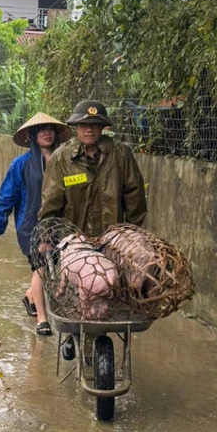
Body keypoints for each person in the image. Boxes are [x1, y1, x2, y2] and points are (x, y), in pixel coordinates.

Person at [39, 100, 147, 359]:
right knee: (77, 294)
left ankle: (97, 335)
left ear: (103, 128)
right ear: (76, 127)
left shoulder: (120, 154)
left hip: (111, 236)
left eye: (96, 125)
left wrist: (131, 232)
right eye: (85, 125)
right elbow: (50, 201)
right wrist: (47, 237)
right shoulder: (62, 158)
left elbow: (134, 195)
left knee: (112, 288)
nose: (90, 130)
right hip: (73, 238)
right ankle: (75, 334)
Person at [0, 113, 72, 337]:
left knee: (59, 267)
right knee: (41, 267)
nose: (46, 132)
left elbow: (76, 186)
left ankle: (29, 296)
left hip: (60, 224)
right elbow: (8, 195)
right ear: (33, 136)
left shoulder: (66, 162)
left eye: (50, 129)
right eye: (41, 129)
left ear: (56, 134)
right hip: (31, 226)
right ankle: (42, 320)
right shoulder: (21, 165)